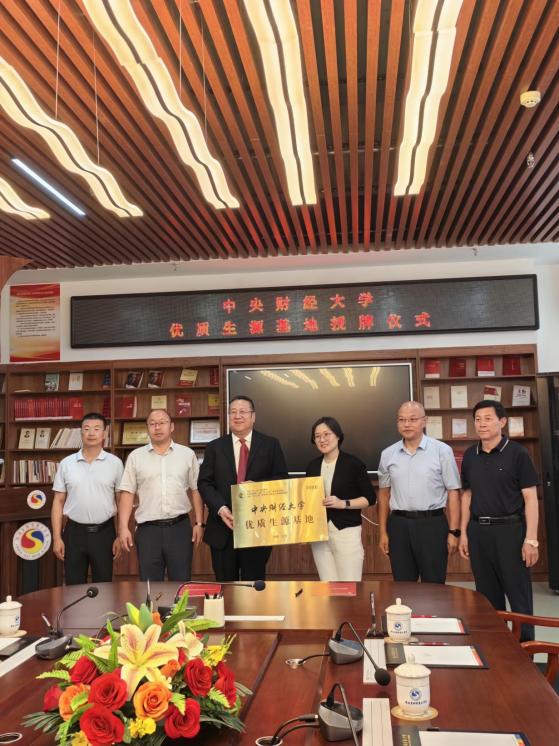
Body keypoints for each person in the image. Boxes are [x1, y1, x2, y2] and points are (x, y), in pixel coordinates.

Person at [459, 400, 539, 642]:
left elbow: (530, 498)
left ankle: (526, 651)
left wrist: (531, 539)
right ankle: (496, 649)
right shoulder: (470, 455)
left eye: (488, 418)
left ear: (502, 422)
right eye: (478, 419)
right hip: (478, 532)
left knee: (518, 597)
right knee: (486, 598)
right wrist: (463, 533)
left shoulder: (518, 453)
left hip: (510, 532)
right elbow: (467, 495)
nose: (482, 424)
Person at [198, 395, 288, 582]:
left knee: (253, 586)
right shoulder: (215, 447)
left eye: (242, 412)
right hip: (223, 527)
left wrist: (259, 488)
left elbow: (282, 480)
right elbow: (204, 483)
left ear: (253, 416)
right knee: (225, 586)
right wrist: (221, 508)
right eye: (233, 412)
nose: (237, 416)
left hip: (257, 527)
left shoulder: (270, 444)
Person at [378, 401, 461, 583]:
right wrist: (383, 532)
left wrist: (454, 532)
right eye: (402, 420)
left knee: (434, 584)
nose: (407, 424)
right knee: (403, 584)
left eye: (412, 419)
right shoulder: (387, 454)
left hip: (432, 524)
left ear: (424, 421)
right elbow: (384, 495)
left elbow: (453, 492)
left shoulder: (442, 451)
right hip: (398, 526)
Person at [118, 409, 204, 581]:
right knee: (150, 584)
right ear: (147, 428)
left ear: (171, 426)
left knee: (181, 583)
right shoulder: (136, 457)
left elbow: (196, 490)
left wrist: (199, 523)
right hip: (148, 530)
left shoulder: (187, 454)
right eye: (152, 423)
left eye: (162, 422)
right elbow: (127, 493)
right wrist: (123, 527)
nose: (157, 427)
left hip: (179, 529)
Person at [51, 412, 123, 585]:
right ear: (81, 432)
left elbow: (121, 501)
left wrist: (120, 535)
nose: (91, 433)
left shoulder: (115, 463)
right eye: (87, 428)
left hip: (104, 533)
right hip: (73, 533)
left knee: (104, 587)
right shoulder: (67, 463)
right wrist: (57, 537)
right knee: (73, 587)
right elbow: (58, 501)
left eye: (97, 429)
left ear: (104, 433)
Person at [306, 416, 375, 581]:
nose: (322, 439)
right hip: (319, 535)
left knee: (349, 585)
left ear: (338, 435)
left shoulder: (353, 464)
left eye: (327, 434)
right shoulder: (312, 466)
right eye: (317, 436)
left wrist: (343, 503)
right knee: (328, 585)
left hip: (346, 532)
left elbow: (370, 498)